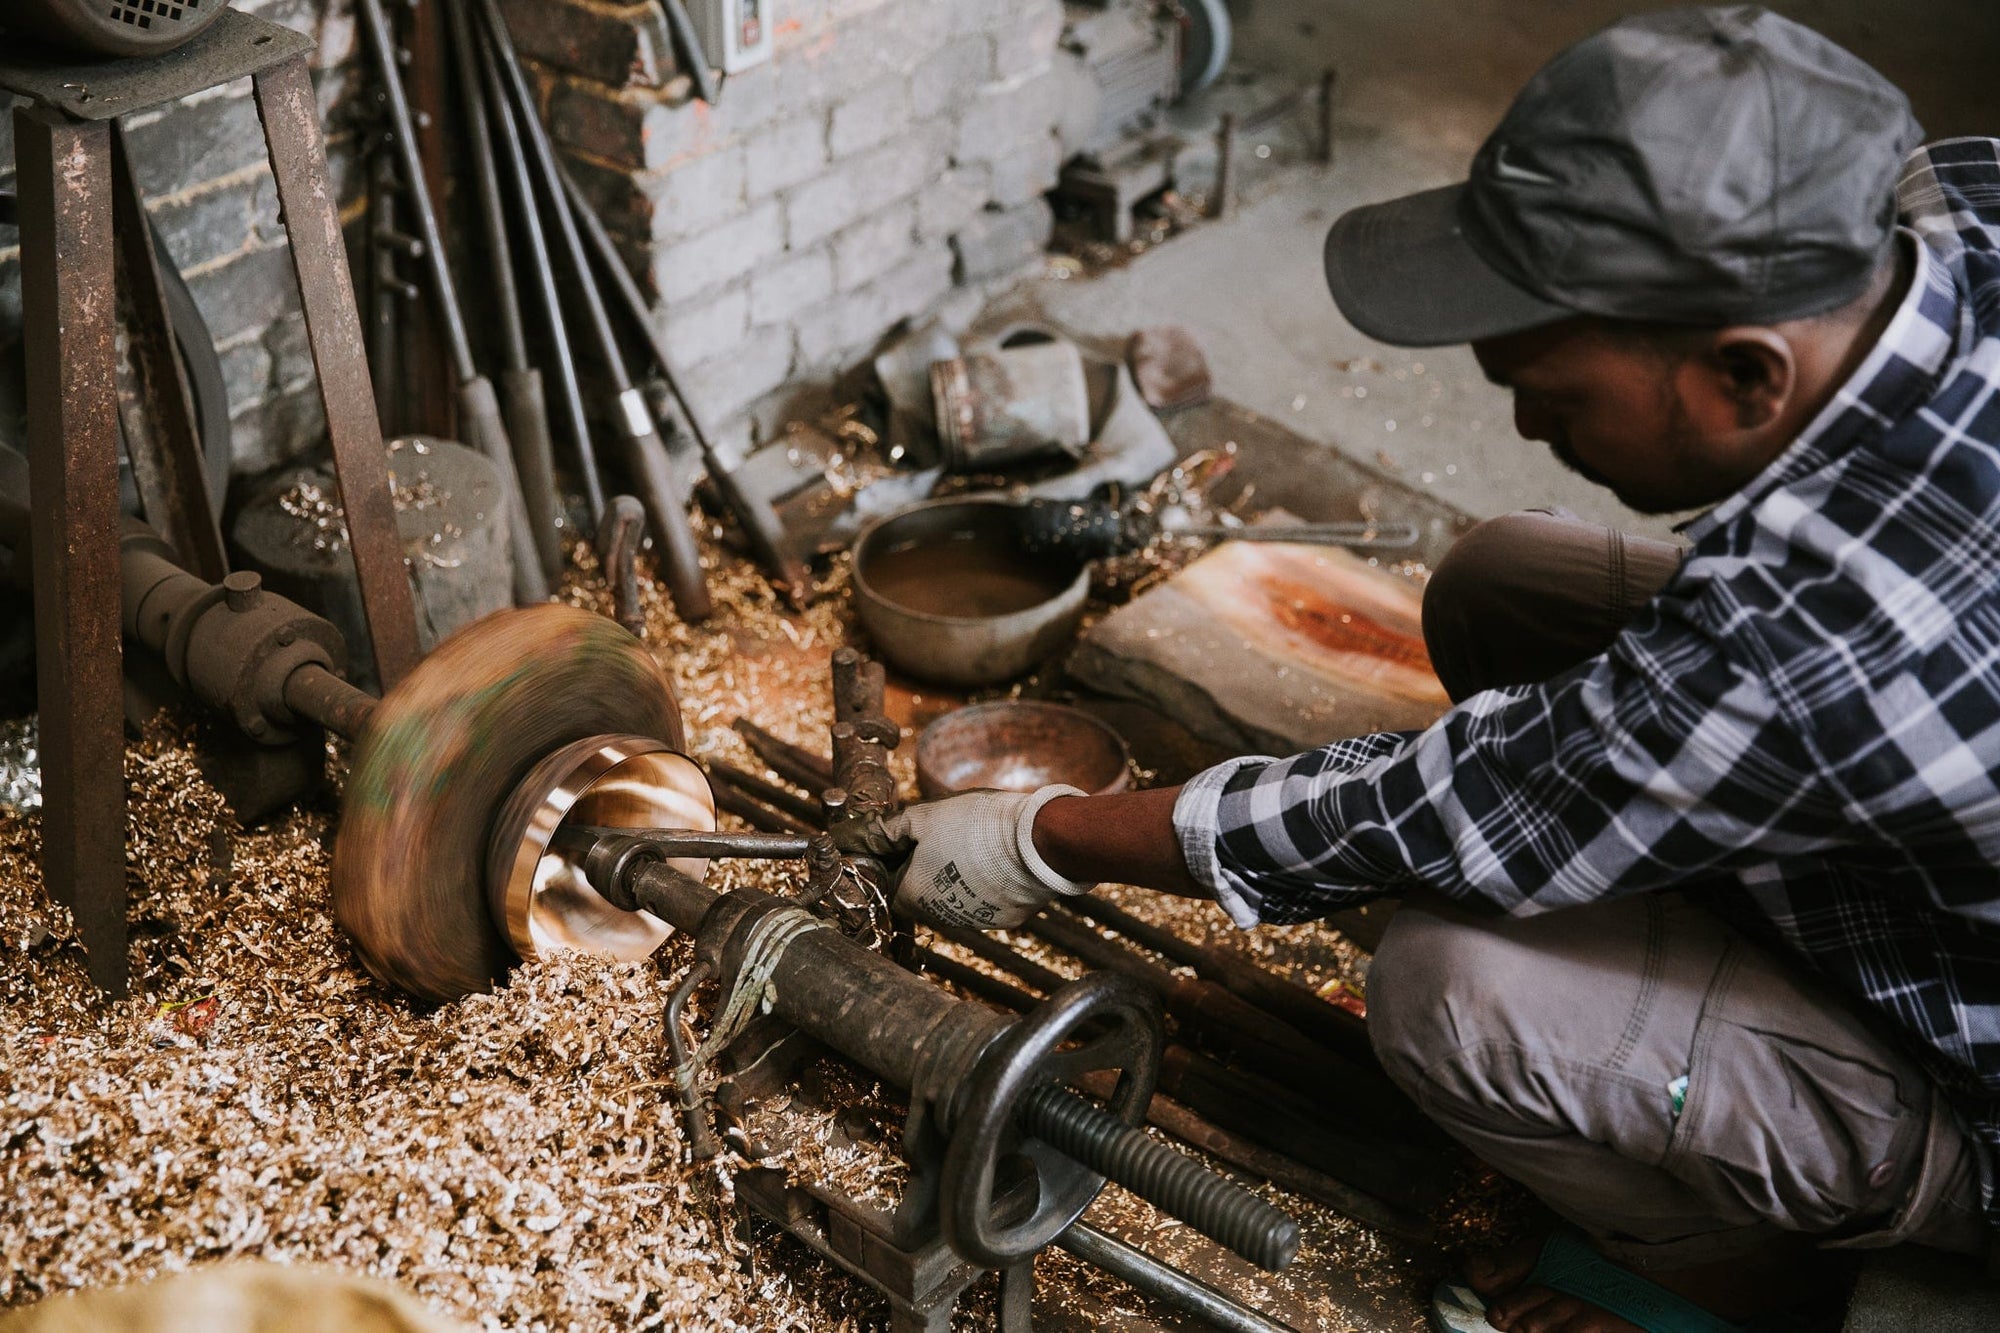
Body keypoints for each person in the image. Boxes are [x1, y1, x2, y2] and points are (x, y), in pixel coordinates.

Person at [867, 8, 2000, 1332]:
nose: (1522, 420)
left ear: (1749, 374)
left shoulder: (1822, 630)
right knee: (1500, 580)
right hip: (1920, 844)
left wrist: (1047, 838)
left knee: (1450, 988)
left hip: (1969, 1072)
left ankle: (1747, 1277)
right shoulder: (1943, 220)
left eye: (1557, 396)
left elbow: (1432, 812)